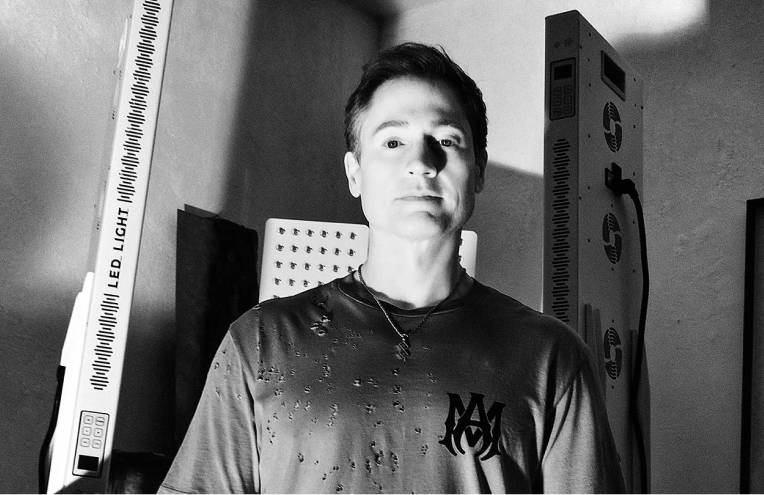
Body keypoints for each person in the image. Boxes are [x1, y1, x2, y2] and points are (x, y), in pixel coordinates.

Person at [159, 42, 626, 494]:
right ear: (355, 173)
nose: (420, 162)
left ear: (478, 169)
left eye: (446, 140)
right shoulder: (261, 343)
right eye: (393, 141)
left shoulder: (550, 358)